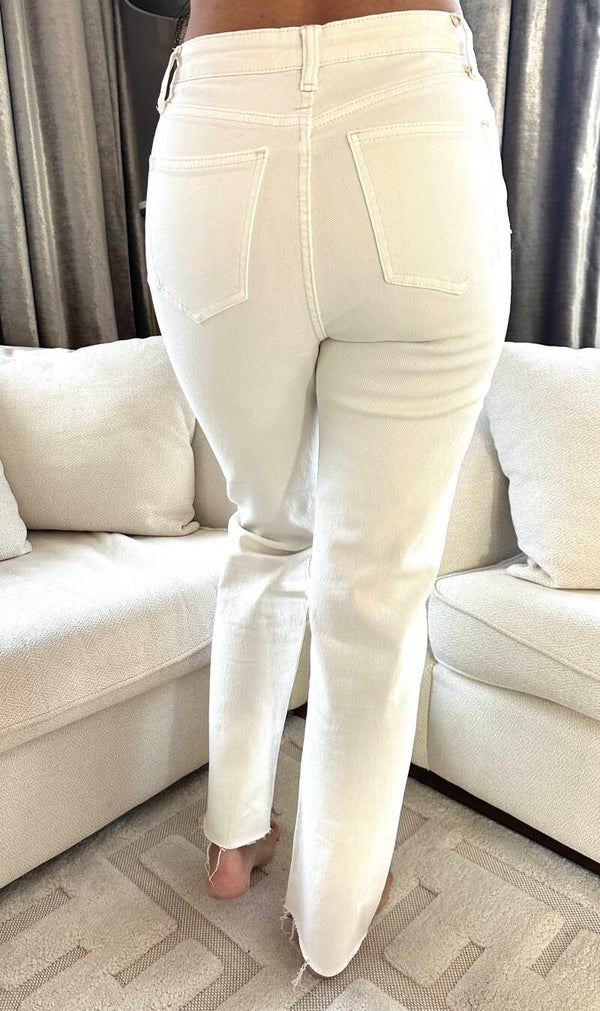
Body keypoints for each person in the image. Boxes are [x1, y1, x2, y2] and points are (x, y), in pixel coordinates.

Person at [144, 0, 512, 985]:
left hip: (221, 127)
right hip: (415, 123)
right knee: (374, 589)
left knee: (267, 527)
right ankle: (331, 918)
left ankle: (234, 838)